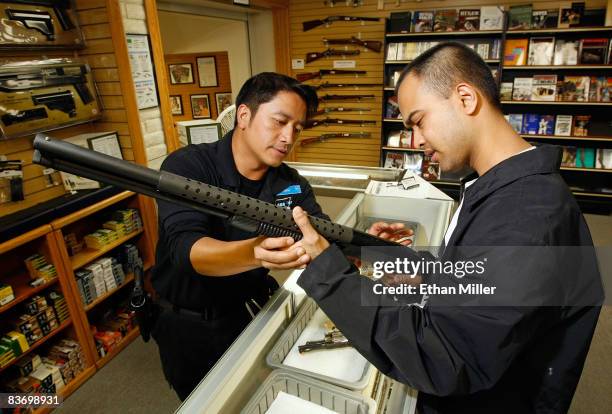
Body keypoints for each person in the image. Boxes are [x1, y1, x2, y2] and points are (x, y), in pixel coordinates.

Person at [270, 43, 604, 413]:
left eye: (418, 121)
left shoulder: (523, 215)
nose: (416, 142)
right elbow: (486, 279)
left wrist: (327, 274)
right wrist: (405, 266)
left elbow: (444, 357)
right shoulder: (501, 188)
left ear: (465, 98)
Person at [150, 73, 330, 400]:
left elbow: (322, 231)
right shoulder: (188, 167)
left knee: (257, 398)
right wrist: (256, 253)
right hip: (190, 325)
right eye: (279, 122)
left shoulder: (290, 183)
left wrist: (364, 245)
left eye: (297, 128)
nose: (288, 136)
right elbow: (186, 251)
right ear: (243, 115)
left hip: (253, 312)